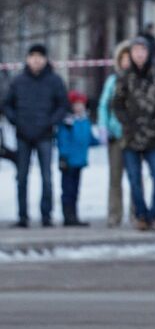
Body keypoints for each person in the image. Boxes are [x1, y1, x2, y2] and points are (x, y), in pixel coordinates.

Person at [2, 44, 68, 228]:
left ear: (46, 59)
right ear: (27, 59)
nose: (36, 60)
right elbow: (7, 105)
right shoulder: (18, 81)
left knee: (47, 177)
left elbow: (63, 105)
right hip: (23, 135)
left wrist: (51, 122)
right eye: (32, 56)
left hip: (45, 135)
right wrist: (16, 121)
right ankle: (22, 216)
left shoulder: (54, 81)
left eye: (40, 56)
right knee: (21, 177)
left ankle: (46, 215)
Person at [113, 35, 155, 232]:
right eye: (135, 51)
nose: (139, 55)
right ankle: (141, 215)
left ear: (148, 53)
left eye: (143, 50)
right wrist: (128, 123)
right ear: (130, 54)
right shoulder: (124, 77)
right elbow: (116, 105)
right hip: (131, 136)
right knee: (134, 179)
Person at [97, 41, 133, 227]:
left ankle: (137, 214)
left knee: (135, 178)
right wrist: (103, 126)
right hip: (115, 136)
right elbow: (103, 105)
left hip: (134, 136)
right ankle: (114, 214)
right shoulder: (112, 81)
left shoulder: (138, 80)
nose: (127, 62)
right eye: (123, 58)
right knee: (115, 178)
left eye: (129, 58)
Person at [55, 91, 99, 227]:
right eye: (76, 104)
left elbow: (89, 139)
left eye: (81, 104)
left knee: (75, 190)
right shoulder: (67, 122)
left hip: (80, 161)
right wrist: (64, 157)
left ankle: (74, 215)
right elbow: (62, 141)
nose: (79, 107)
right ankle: (68, 216)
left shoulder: (85, 121)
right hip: (68, 162)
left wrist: (102, 139)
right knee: (67, 190)